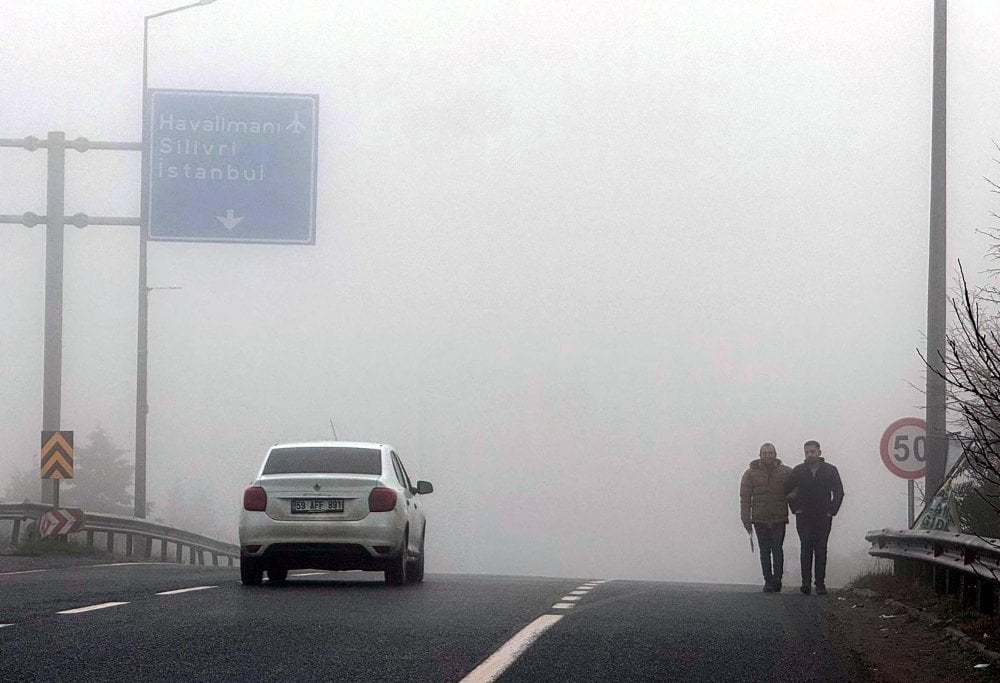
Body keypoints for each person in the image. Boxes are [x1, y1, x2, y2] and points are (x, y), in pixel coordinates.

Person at [784, 440, 845, 596]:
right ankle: (805, 583)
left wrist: (832, 510)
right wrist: (795, 509)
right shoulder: (798, 471)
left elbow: (838, 492)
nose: (810, 454)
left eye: (812, 451)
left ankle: (820, 584)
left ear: (819, 452)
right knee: (805, 548)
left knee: (821, 549)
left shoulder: (830, 470)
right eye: (807, 452)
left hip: (823, 516)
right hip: (803, 516)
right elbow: (787, 491)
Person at [740, 442, 792, 592]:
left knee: (777, 549)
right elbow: (745, 498)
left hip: (779, 517)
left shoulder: (786, 472)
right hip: (759, 518)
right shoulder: (750, 473)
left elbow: (796, 489)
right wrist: (745, 519)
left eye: (770, 453)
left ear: (775, 454)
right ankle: (768, 580)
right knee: (764, 550)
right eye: (765, 453)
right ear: (760, 455)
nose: (768, 456)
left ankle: (777, 579)